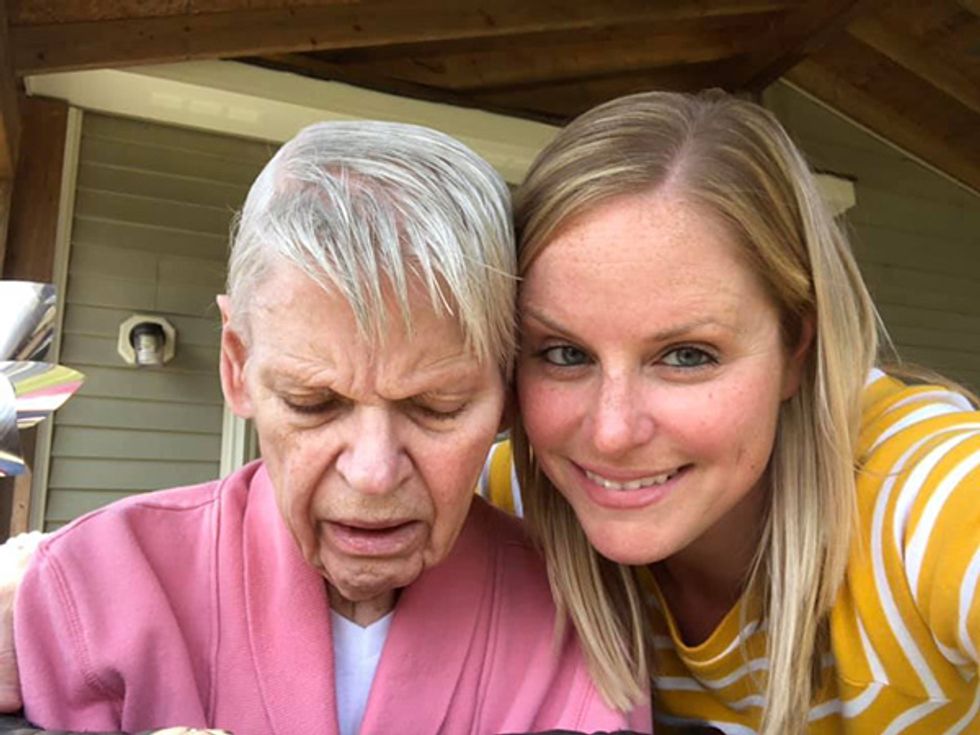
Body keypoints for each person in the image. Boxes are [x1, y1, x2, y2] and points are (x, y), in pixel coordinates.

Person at [4, 120, 650, 735]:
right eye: (314, 401)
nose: (372, 473)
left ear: (508, 391)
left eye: (438, 406)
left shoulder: (578, 618)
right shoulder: (91, 586)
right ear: (237, 366)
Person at [481, 90, 980, 734]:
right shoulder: (511, 501)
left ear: (798, 348)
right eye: (563, 353)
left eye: (686, 356)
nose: (610, 432)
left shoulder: (922, 497)